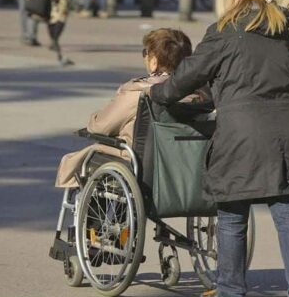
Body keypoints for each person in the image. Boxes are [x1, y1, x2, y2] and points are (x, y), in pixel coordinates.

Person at [146, 0, 289, 297]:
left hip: (241, 132)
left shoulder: (225, 31)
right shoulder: (283, 33)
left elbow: (189, 75)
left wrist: (160, 93)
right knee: (288, 214)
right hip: (287, 130)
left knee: (232, 214)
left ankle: (230, 291)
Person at [55, 28, 199, 188]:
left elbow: (100, 126)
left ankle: (92, 211)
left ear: (154, 62)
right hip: (184, 171)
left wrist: (94, 119)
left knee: (88, 162)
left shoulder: (139, 91)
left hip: (141, 169)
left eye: (146, 53)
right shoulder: (197, 94)